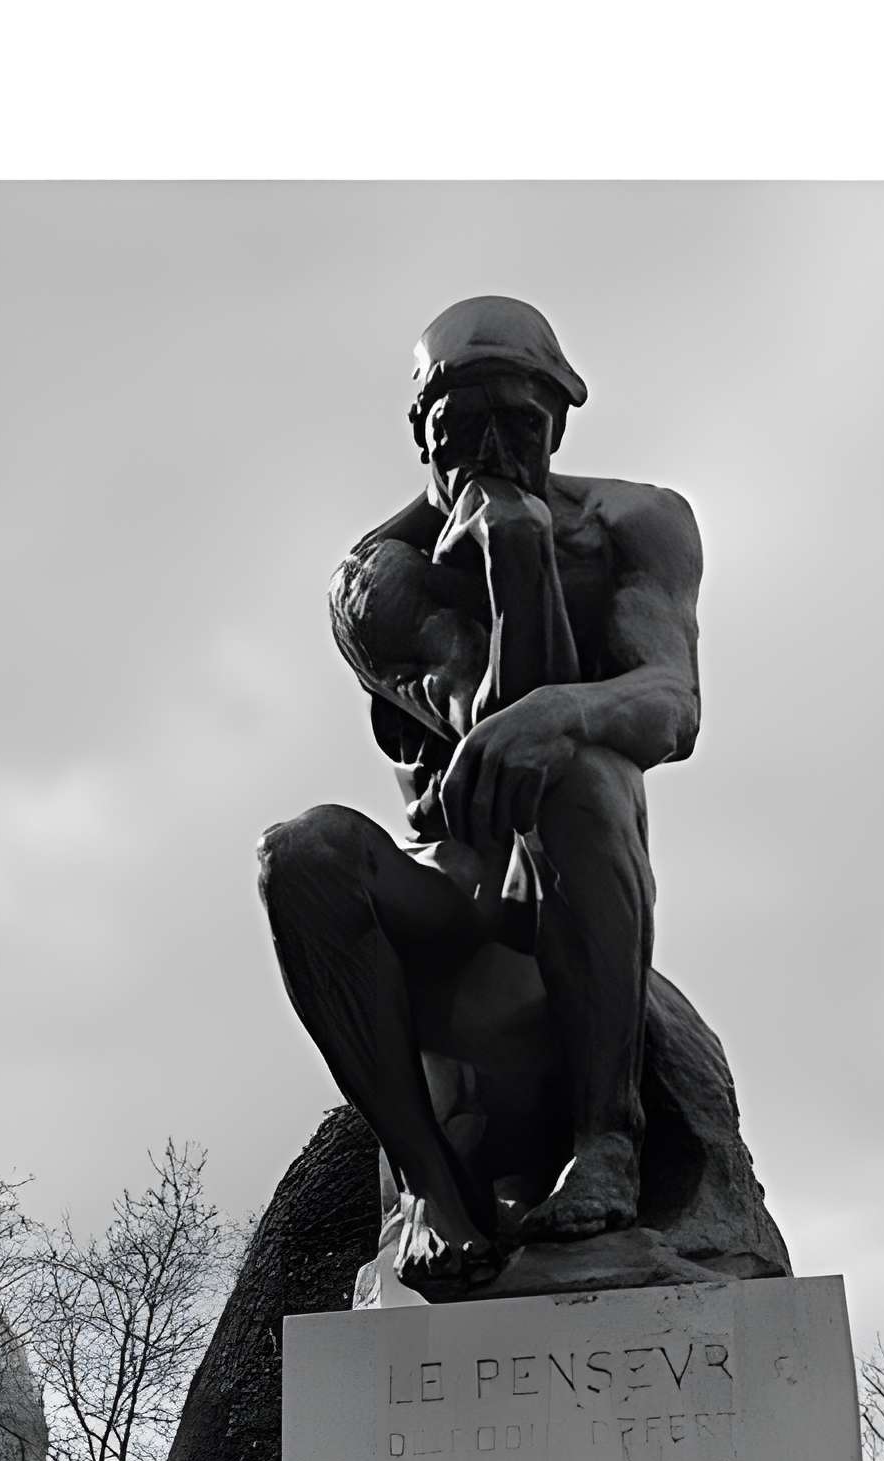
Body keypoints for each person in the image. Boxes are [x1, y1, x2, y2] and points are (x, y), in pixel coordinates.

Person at [257, 295, 708, 1288]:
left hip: (572, 873)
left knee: (577, 768)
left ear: (561, 421)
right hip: (454, 887)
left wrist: (570, 708)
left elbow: (672, 703)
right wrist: (512, 553)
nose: (494, 448)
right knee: (302, 854)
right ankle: (431, 1188)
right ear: (422, 434)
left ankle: (606, 1142)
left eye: (521, 422)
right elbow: (481, 736)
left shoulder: (643, 521)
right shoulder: (377, 576)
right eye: (463, 427)